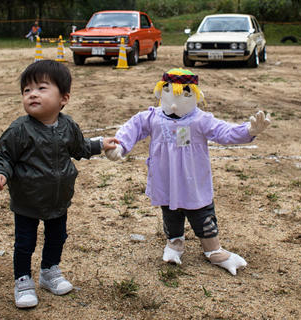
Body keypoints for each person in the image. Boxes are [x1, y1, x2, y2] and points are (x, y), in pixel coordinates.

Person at [105, 68, 270, 275]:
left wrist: (247, 131)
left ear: (195, 95)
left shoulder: (200, 120)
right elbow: (132, 128)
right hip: (166, 179)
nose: (175, 102)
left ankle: (213, 250)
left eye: (184, 95)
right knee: (170, 212)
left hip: (193, 180)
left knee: (202, 213)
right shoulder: (152, 117)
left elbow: (223, 131)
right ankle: (174, 243)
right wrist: (120, 146)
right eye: (170, 94)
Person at [0, 59, 117, 309]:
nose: (32, 94)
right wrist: (0, 174)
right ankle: (23, 280)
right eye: (27, 90)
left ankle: (49, 271)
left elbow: (79, 148)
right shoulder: (19, 130)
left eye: (41, 88)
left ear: (63, 98)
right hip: (27, 200)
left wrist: (100, 144)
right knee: (25, 243)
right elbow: (4, 156)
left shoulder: (68, 125)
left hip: (59, 199)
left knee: (57, 237)